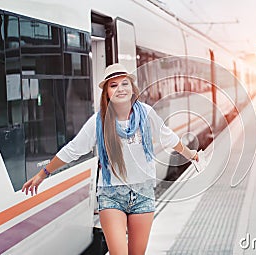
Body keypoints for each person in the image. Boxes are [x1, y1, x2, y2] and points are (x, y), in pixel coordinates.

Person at [22, 63, 199, 255]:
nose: (120, 89)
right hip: (111, 195)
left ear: (132, 88)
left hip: (143, 194)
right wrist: (43, 173)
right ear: (106, 92)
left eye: (125, 84)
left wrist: (191, 155)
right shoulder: (98, 121)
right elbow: (73, 150)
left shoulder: (147, 114)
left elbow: (169, 138)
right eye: (113, 85)